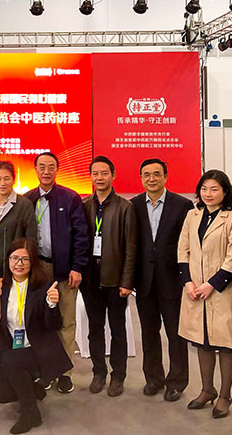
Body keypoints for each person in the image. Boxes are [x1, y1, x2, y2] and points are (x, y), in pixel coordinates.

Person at [0, 238, 72, 434]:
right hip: (12, 352)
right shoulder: (1, 286)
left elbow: (53, 326)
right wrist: (3, 350)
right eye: (14, 258)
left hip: (39, 351)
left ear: (33, 261)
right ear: (8, 260)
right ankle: (34, 390)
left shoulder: (44, 287)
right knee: (0, 393)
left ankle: (30, 412)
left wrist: (52, 305)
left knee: (11, 361)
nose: (19, 263)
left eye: (25, 259)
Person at [177, 169, 232, 419]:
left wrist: (212, 285)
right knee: (201, 341)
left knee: (225, 343)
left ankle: (225, 395)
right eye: (204, 189)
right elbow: (183, 250)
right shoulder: (192, 215)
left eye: (214, 189)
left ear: (225, 192)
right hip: (194, 289)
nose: (208, 194)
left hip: (221, 290)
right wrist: (188, 282)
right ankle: (207, 390)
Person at [23, 152, 89, 394]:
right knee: (39, 323)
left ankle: (65, 373)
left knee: (65, 322)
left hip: (64, 270)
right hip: (37, 271)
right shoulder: (27, 200)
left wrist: (77, 267)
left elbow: (81, 235)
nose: (46, 171)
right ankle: (45, 370)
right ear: (35, 169)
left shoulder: (70, 198)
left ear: (57, 170)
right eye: (42, 166)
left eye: (51, 166)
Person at [131, 159, 193, 402]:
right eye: (146, 174)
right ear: (141, 178)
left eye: (157, 174)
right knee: (149, 333)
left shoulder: (183, 205)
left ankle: (176, 382)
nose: (152, 179)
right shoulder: (134, 205)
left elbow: (188, 244)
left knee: (176, 334)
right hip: (144, 281)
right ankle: (153, 378)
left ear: (166, 176)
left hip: (172, 280)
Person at [81, 155, 137, 397]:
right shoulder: (84, 205)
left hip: (115, 280)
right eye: (95, 173)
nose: (100, 177)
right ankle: (99, 372)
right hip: (90, 278)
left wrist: (127, 281)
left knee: (117, 330)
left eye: (104, 173)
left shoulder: (125, 207)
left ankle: (118, 375)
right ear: (90, 176)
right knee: (94, 329)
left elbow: (131, 248)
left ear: (113, 175)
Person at [0, 160, 37, 388]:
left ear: (13, 180)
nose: (2, 183)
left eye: (7, 178)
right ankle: (4, 371)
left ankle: (20, 373)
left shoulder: (23, 205)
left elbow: (31, 239)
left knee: (14, 321)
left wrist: (24, 266)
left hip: (14, 275)